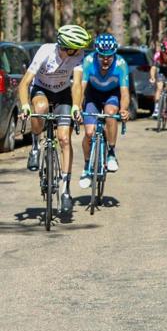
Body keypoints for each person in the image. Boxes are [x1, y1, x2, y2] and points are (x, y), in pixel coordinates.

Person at [17, 24, 92, 213]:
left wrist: (76, 106)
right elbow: (24, 83)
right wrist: (26, 105)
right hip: (42, 89)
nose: (80, 51)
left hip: (62, 93)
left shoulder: (78, 56)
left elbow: (76, 85)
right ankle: (35, 146)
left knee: (65, 139)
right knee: (40, 108)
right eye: (77, 47)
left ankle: (66, 190)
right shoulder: (46, 52)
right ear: (66, 46)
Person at [79, 33, 130, 189]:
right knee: (88, 133)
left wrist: (123, 110)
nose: (106, 60)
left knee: (110, 114)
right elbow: (80, 89)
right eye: (102, 56)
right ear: (96, 54)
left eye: (109, 56)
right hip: (92, 95)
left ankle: (111, 153)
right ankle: (87, 167)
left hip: (111, 95)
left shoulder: (121, 64)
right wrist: (77, 108)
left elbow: (125, 92)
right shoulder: (88, 61)